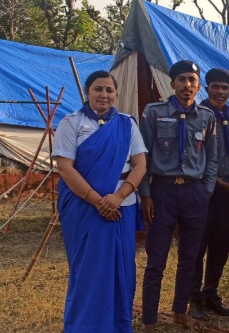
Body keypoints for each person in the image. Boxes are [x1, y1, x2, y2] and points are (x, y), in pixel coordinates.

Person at [52, 70, 147, 333]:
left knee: (122, 268)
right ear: (87, 92)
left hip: (121, 207)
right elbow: (65, 168)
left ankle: (118, 325)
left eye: (109, 90)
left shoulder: (128, 124)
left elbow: (140, 165)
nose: (104, 94)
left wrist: (118, 197)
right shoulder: (71, 123)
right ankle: (84, 326)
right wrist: (98, 201)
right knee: (88, 270)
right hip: (83, 208)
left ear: (116, 94)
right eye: (98, 89)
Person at [139, 60, 218, 332]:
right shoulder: (154, 112)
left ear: (198, 86)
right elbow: (143, 156)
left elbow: (212, 159)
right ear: (172, 83)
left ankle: (179, 310)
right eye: (182, 79)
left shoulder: (207, 117)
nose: (187, 85)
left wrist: (206, 192)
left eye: (192, 80)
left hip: (194, 193)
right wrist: (146, 194)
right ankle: (149, 318)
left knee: (190, 257)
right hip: (162, 191)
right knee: (156, 259)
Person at [188, 68, 229, 320]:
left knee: (221, 244)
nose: (220, 92)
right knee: (198, 245)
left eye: (225, 88)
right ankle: (194, 298)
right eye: (215, 87)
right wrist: (222, 183)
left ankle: (212, 293)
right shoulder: (195, 115)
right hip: (203, 188)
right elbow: (195, 159)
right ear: (206, 88)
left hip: (228, 188)